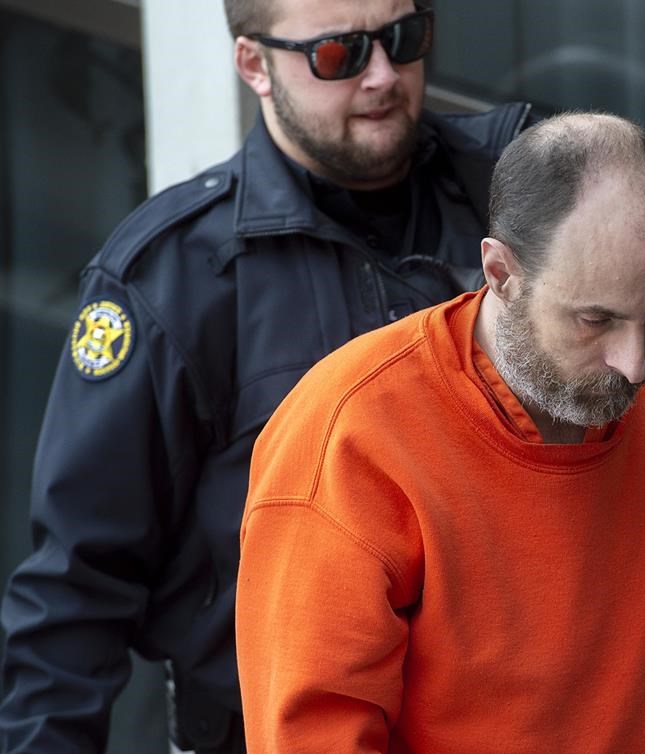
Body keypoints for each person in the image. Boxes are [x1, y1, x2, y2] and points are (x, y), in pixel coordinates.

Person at [0, 0, 532, 750]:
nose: (384, 75)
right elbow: (75, 595)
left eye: (403, 38)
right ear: (254, 64)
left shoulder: (520, 197)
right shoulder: (171, 282)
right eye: (339, 55)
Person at [235, 112, 645, 753]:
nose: (636, 363)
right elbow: (317, 734)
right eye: (596, 319)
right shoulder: (349, 439)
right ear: (501, 274)